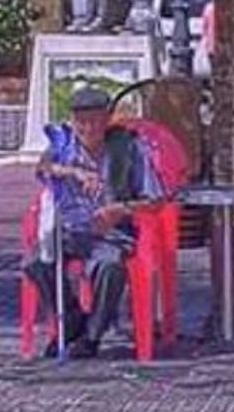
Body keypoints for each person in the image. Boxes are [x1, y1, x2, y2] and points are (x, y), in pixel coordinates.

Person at [27, 86, 166, 359]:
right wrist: (73, 172)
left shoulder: (129, 148)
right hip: (69, 229)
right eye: (81, 122)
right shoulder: (64, 144)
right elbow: (42, 168)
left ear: (107, 119)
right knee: (38, 264)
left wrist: (120, 209)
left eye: (94, 121)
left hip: (111, 232)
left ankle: (92, 335)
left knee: (109, 266)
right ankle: (72, 320)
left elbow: (156, 200)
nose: (87, 128)